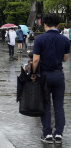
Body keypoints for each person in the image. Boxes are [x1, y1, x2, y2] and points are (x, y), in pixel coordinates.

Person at [32, 14, 70, 144]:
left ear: (45, 25)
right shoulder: (65, 40)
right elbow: (65, 59)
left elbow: (35, 59)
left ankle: (47, 134)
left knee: (46, 105)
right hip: (59, 75)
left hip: (44, 76)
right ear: (58, 25)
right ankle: (58, 134)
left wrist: (32, 72)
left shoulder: (40, 39)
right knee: (59, 105)